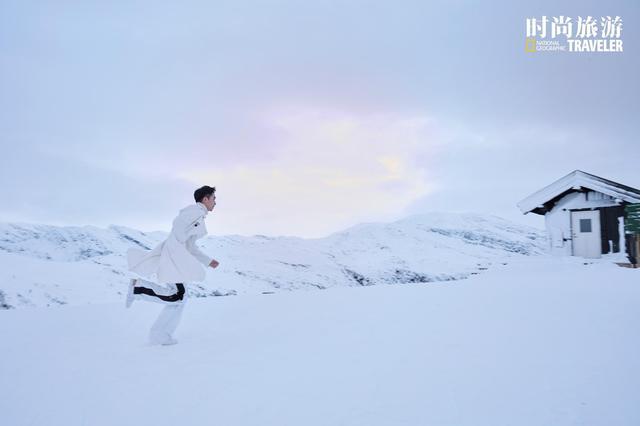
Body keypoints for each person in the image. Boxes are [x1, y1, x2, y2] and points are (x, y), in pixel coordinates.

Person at [125, 185, 219, 345]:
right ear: (205, 199)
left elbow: (189, 245)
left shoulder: (197, 215)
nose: (215, 202)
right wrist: (177, 250)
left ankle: (160, 334)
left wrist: (208, 261)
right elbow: (179, 232)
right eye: (214, 198)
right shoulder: (194, 213)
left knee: (179, 298)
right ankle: (138, 288)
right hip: (174, 259)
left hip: (176, 258)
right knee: (178, 296)